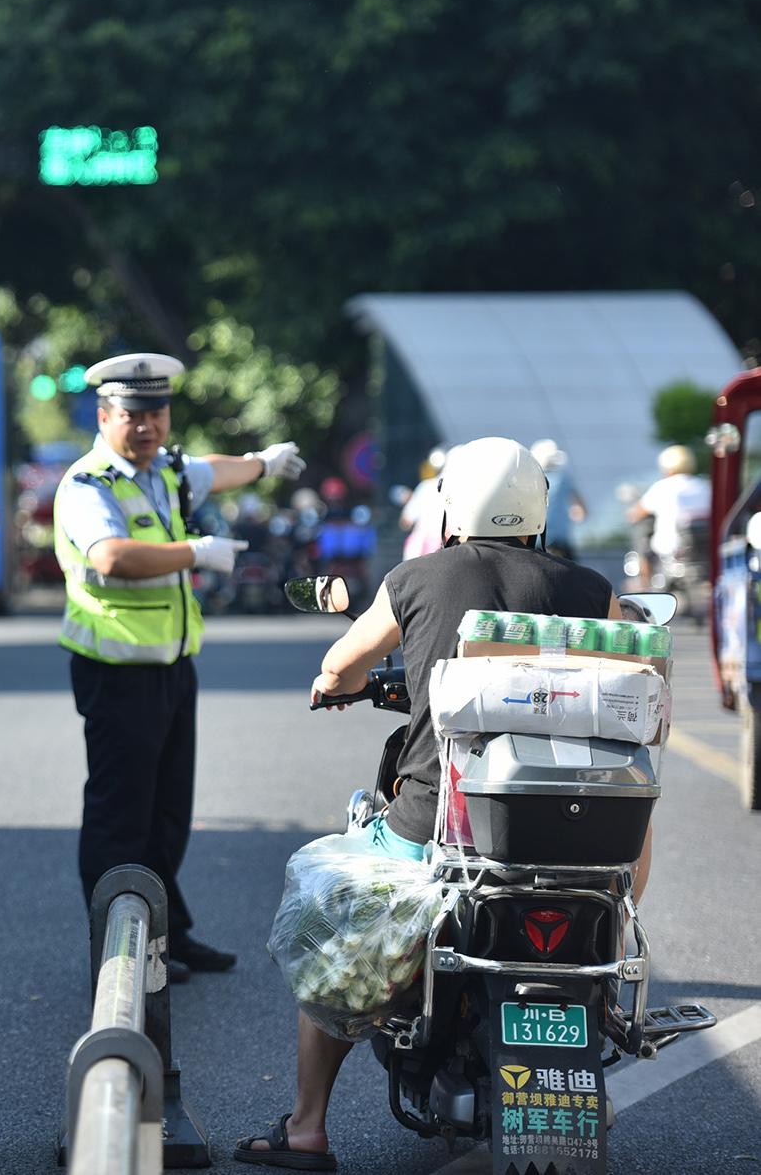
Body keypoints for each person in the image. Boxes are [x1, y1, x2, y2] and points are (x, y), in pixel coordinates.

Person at [235, 437, 642, 1171]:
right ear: (539, 510)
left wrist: (336, 684)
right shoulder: (591, 591)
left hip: (440, 831)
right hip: (576, 837)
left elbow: (339, 664)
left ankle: (306, 1128)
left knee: (335, 929)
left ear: (450, 509)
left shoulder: (415, 578)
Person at [52, 353, 305, 980]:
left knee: (168, 811)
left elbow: (211, 470)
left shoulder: (161, 470)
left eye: (156, 414)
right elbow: (111, 556)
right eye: (132, 415)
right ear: (105, 416)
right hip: (117, 668)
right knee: (121, 815)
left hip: (169, 665)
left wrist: (262, 463)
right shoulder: (89, 485)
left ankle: (166, 931)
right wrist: (194, 552)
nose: (147, 426)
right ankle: (117, 949)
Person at [629, 444, 712, 581]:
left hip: (671, 553)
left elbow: (635, 514)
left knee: (641, 529)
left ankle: (644, 578)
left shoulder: (662, 487)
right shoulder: (705, 486)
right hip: (705, 553)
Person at [530, 438, 588, 559]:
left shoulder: (532, 479)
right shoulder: (563, 479)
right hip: (558, 543)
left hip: (536, 541)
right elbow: (582, 509)